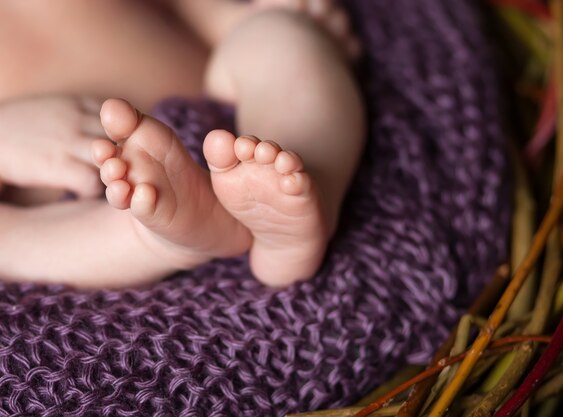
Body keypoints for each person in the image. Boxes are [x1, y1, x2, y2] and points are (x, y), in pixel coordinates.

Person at [0, 0, 365, 288]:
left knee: (279, 37)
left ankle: (306, 192)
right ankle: (151, 241)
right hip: (94, 197)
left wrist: (234, 17)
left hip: (224, 101)